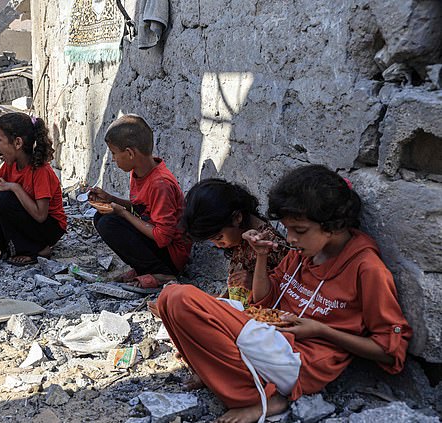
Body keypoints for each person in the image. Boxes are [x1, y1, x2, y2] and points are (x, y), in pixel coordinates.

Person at [156, 165, 412, 423]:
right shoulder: (302, 253)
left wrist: (321, 331)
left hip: (302, 361)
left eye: (299, 231)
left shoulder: (367, 269)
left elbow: (390, 350)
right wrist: (261, 257)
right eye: (288, 229)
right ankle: (221, 373)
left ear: (334, 226)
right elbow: (265, 300)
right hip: (271, 340)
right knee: (170, 302)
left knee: (179, 298)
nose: (290, 238)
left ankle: (263, 398)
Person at [90, 114, 191, 292]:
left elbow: (163, 237)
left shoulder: (160, 184)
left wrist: (124, 213)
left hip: (172, 256)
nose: (113, 159)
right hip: (156, 241)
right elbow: (141, 208)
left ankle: (161, 273)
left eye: (114, 154)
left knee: (109, 223)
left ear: (129, 153)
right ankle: (144, 267)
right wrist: (111, 199)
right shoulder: (139, 172)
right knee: (100, 217)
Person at [0, 112, 66, 265]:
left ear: (17, 143)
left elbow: (41, 215)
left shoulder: (40, 170)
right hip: (31, 222)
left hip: (50, 227)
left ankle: (38, 250)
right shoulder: (11, 165)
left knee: (6, 197)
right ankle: (2, 245)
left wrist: (15, 187)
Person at [181, 178, 287, 303]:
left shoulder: (272, 245)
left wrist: (255, 281)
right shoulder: (239, 239)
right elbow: (233, 294)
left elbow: (288, 295)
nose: (219, 246)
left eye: (219, 238)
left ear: (237, 217)